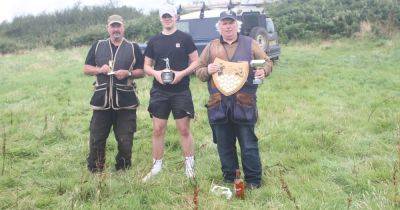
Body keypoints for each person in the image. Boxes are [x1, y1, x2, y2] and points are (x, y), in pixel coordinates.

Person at [195, 11, 273, 188]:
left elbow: (267, 62)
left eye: (231, 23)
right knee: (224, 144)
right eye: (224, 23)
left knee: (248, 143)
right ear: (219, 26)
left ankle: (253, 180)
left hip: (244, 102)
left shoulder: (250, 43)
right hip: (218, 103)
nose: (228, 26)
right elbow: (198, 71)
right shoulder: (211, 46)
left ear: (236, 25)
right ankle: (230, 177)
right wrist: (208, 69)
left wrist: (264, 71)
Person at [142, 4, 199, 181]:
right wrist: (156, 74)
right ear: (160, 18)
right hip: (160, 91)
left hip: (181, 91)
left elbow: (196, 62)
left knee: (183, 129)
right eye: (164, 16)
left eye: (170, 16)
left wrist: (181, 74)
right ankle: (156, 166)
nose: (167, 19)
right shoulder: (153, 41)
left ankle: (189, 166)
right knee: (158, 129)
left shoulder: (185, 38)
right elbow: (146, 66)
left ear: (176, 17)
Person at [83, 14, 144, 172]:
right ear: (107, 28)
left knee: (125, 139)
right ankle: (96, 169)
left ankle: (123, 168)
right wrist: (99, 69)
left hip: (126, 101)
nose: (116, 29)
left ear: (123, 28)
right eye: (113, 26)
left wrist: (128, 73)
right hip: (101, 100)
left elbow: (142, 71)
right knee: (97, 138)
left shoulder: (133, 47)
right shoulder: (97, 45)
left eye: (118, 26)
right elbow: (86, 68)